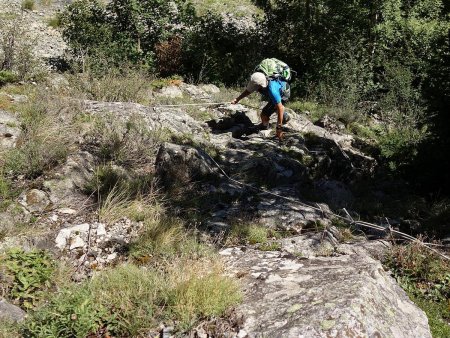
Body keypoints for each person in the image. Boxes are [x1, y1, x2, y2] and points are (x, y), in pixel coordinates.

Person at [231, 72, 290, 140]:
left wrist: (279, 128)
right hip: (281, 88)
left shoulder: (272, 90)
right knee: (273, 107)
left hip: (284, 93)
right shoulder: (260, 82)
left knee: (265, 113)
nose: (254, 88)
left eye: (255, 86)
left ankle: (266, 126)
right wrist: (237, 99)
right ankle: (284, 117)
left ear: (260, 85)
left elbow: (280, 108)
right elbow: (248, 91)